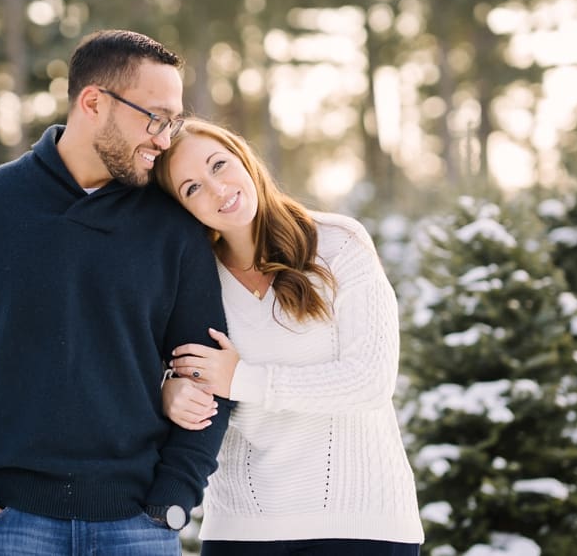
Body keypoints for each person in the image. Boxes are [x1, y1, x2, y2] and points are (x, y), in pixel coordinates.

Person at [0, 30, 233, 555]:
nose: (165, 138)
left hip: (138, 525)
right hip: (11, 525)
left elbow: (212, 371)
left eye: (172, 121)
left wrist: (175, 496)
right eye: (155, 117)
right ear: (93, 102)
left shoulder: (173, 227)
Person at [154, 119, 424, 556]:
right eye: (192, 189)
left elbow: (370, 382)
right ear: (180, 209)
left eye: (219, 165)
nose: (218, 189)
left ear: (243, 156)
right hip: (241, 529)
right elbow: (163, 367)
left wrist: (242, 379)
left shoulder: (338, 243)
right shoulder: (192, 278)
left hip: (362, 523)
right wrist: (168, 390)